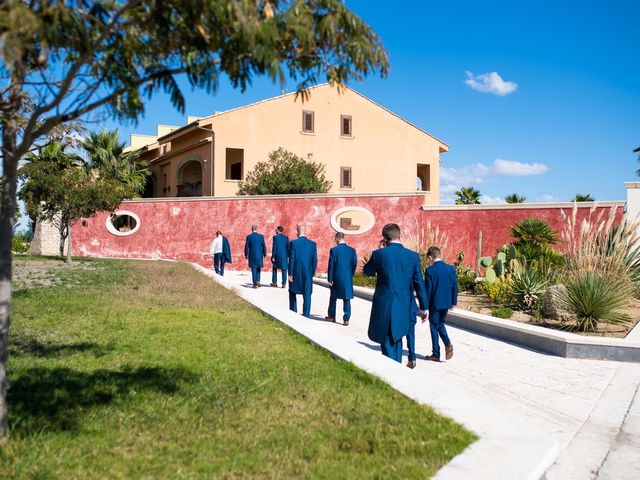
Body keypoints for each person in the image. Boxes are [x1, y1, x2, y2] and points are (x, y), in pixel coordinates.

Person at [363, 223, 428, 363]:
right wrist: (424, 307)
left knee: (386, 339)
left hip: (384, 304)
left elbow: (367, 271)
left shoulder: (379, 254)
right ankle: (395, 366)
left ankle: (390, 370)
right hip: (403, 304)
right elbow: (419, 283)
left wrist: (379, 250)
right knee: (397, 338)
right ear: (400, 235)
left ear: (385, 238)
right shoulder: (413, 256)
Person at [422, 246, 457, 362]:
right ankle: (446, 346)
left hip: (435, 304)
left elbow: (428, 290)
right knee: (440, 324)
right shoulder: (450, 268)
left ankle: (437, 352)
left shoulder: (430, 271)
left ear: (430, 257)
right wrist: (453, 302)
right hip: (446, 303)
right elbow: (454, 286)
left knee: (433, 326)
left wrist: (425, 307)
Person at [325, 232, 358, 326]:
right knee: (346, 298)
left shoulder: (334, 250)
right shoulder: (352, 250)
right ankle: (346, 319)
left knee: (333, 297)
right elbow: (354, 264)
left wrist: (330, 278)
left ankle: (331, 316)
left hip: (336, 277)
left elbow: (331, 265)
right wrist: (350, 274)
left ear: (337, 239)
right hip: (347, 277)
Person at [288, 225, 318, 318]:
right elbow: (315, 260)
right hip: (308, 272)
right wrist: (312, 272)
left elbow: (292, 259)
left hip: (296, 271)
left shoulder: (293, 243)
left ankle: (293, 312)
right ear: (305, 232)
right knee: (307, 294)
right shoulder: (312, 244)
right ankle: (306, 314)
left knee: (292, 292)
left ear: (297, 232)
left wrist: (290, 273)